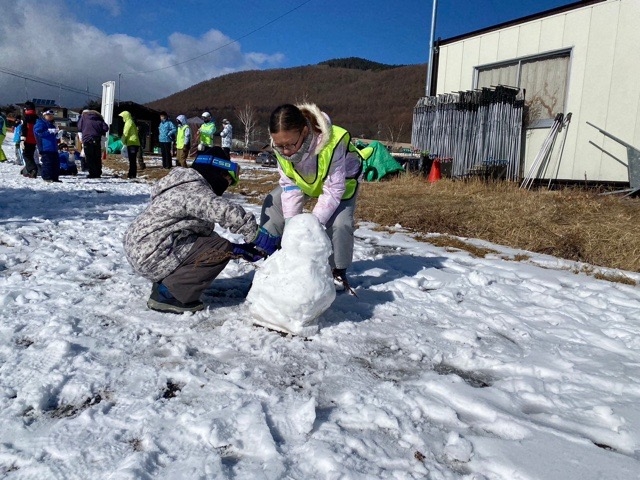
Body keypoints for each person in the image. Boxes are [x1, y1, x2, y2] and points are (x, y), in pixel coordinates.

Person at [122, 146, 279, 313]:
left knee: (219, 246)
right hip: (152, 253)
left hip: (147, 248)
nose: (227, 185)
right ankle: (170, 295)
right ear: (216, 172)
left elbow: (197, 235)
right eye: (227, 179)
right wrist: (256, 234)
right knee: (220, 248)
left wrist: (236, 249)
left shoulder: (180, 185)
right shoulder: (194, 189)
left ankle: (166, 284)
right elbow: (223, 210)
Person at [260, 103, 363, 291]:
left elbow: (333, 190)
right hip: (306, 182)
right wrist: (292, 230)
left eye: (290, 144)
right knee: (274, 201)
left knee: (340, 224)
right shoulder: (281, 146)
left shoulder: (332, 142)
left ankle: (337, 270)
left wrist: (310, 227)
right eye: (279, 145)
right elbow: (289, 185)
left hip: (341, 183)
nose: (286, 151)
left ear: (305, 132)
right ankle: (272, 251)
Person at [77, 109, 109, 178]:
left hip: (87, 140)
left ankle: (92, 173)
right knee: (97, 157)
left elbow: (79, 127)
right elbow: (106, 128)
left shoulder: (83, 118)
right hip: (97, 139)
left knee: (89, 157)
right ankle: (98, 172)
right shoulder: (99, 118)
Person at [34, 110, 61, 182]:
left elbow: (53, 135)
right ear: (44, 115)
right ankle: (46, 177)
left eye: (52, 115)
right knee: (47, 163)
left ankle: (55, 177)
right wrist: (49, 131)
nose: (51, 116)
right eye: (49, 115)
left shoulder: (52, 124)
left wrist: (57, 135)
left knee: (56, 163)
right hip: (45, 147)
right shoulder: (40, 123)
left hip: (54, 147)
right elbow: (38, 133)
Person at [118, 111, 140, 179]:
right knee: (132, 159)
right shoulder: (131, 121)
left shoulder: (128, 122)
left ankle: (132, 174)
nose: (122, 118)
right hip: (133, 142)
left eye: (122, 116)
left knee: (132, 160)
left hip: (132, 143)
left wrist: (122, 141)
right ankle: (132, 174)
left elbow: (125, 133)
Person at [20, 102, 39, 178]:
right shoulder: (37, 117)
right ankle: (29, 170)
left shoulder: (25, 117)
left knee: (26, 155)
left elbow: (24, 128)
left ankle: (33, 169)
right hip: (35, 139)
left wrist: (22, 138)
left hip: (27, 138)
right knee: (30, 154)